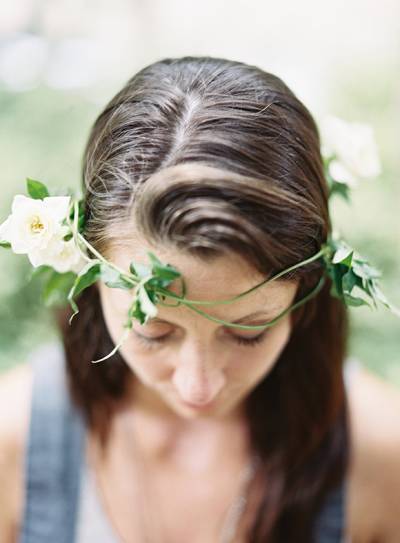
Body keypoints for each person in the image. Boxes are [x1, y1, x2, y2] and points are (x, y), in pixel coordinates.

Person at [0, 56, 400, 543]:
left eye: (248, 332)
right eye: (151, 329)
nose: (198, 386)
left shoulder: (381, 455)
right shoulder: (12, 440)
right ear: (87, 267)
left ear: (306, 289)